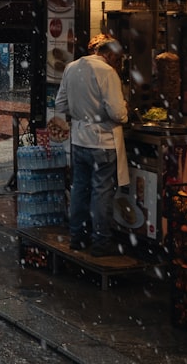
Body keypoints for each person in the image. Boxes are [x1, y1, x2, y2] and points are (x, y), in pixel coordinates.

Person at [54, 34, 128, 257]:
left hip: (79, 140)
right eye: (118, 59)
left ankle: (77, 237)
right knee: (101, 192)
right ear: (110, 54)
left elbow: (60, 104)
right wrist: (125, 112)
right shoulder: (107, 72)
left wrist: (82, 114)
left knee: (79, 189)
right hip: (102, 142)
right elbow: (117, 113)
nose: (118, 63)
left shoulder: (71, 67)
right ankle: (101, 242)